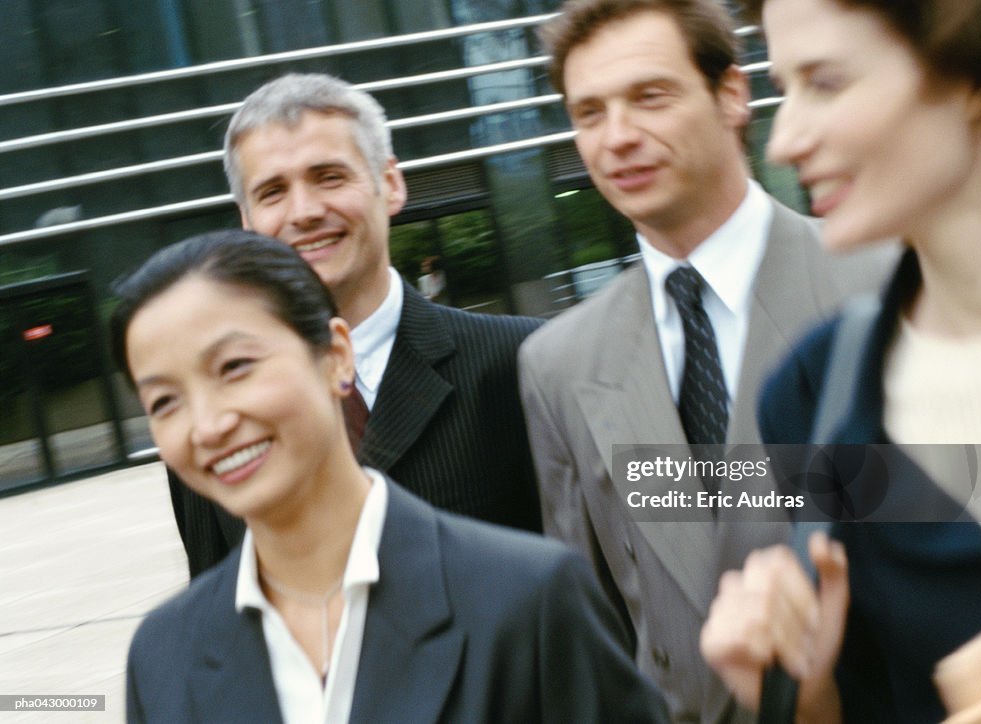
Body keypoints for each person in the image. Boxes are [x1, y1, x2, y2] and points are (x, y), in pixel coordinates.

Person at [115, 230, 669, 723]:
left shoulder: (529, 601)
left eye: (235, 367)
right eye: (165, 401)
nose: (208, 426)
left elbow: (665, 492)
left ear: (335, 356)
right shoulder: (163, 654)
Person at [517, 0, 895, 720]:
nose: (618, 137)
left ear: (731, 95)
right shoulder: (557, 363)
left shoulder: (882, 280)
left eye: (649, 97)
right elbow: (592, 626)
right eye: (589, 112)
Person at [700, 0, 981, 721]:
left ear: (969, 70)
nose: (782, 141)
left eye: (825, 82)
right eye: (784, 89)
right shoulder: (814, 396)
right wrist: (807, 697)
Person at [169, 73, 543, 578]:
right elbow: (216, 615)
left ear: (389, 183)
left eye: (329, 177)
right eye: (273, 191)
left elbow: (663, 537)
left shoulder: (531, 361)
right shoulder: (212, 421)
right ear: (248, 221)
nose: (304, 212)